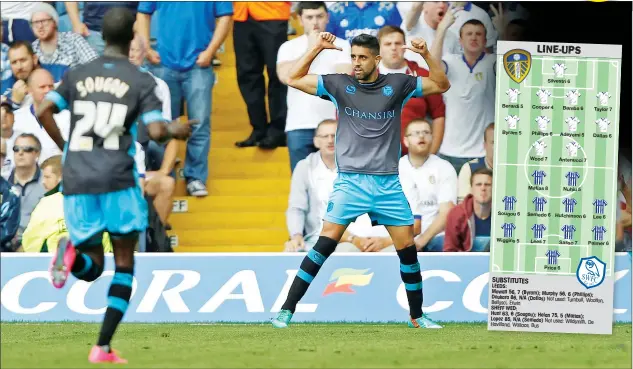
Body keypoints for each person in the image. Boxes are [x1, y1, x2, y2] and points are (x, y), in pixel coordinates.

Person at [36, 7, 192, 364]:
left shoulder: (77, 74)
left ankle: (71, 255)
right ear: (134, 34)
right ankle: (102, 346)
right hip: (118, 178)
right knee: (123, 263)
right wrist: (175, 129)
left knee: (91, 266)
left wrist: (66, 148)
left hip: (76, 177)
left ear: (101, 36)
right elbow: (154, 132)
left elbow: (44, 109)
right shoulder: (141, 80)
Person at [270, 32, 450, 329]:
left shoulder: (397, 84)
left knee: (408, 250)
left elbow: (442, 84)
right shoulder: (339, 84)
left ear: (377, 59)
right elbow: (292, 77)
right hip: (350, 183)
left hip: (387, 184)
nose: (356, 63)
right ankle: (286, 311)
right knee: (323, 246)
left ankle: (417, 316)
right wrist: (316, 48)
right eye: (353, 57)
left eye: (362, 58)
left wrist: (426, 55)